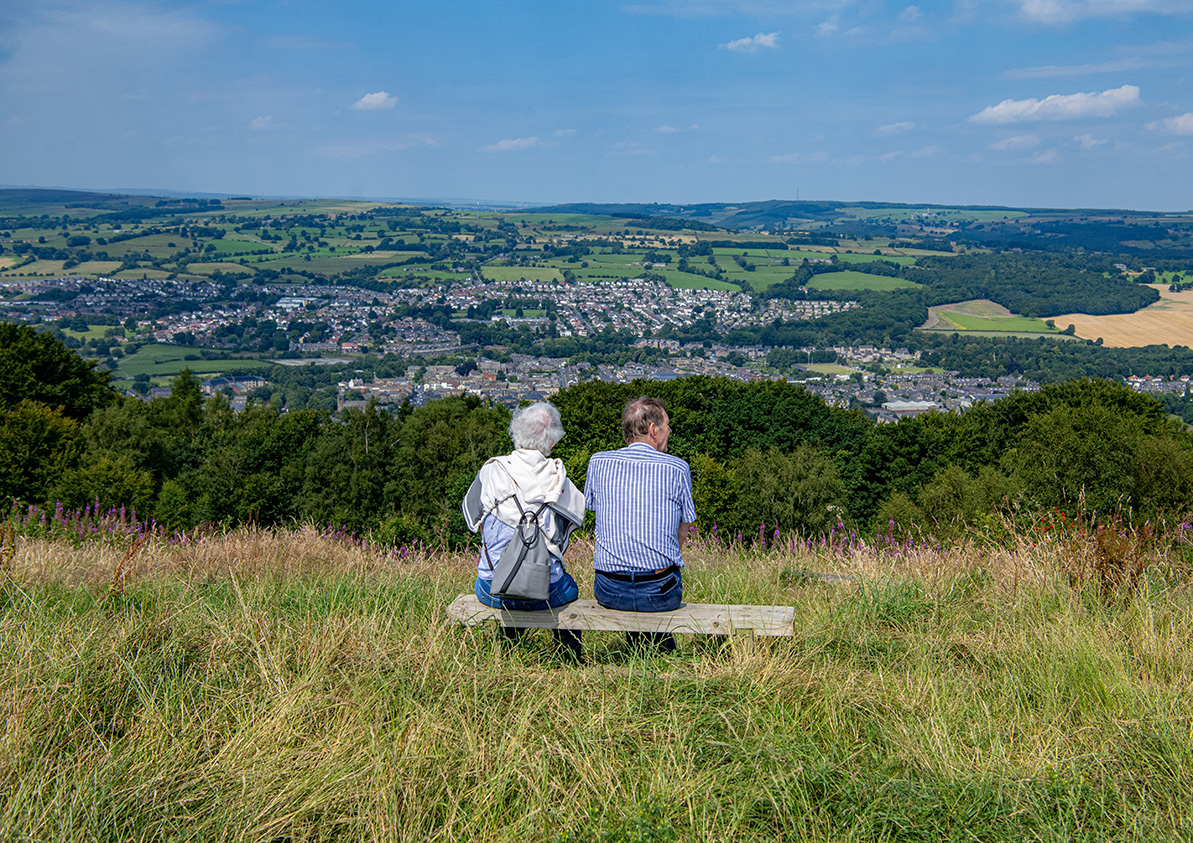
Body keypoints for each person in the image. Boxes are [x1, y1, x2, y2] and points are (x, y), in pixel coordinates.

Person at [462, 401, 586, 662]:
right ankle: (569, 660)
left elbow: (473, 523)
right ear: (552, 443)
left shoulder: (491, 470)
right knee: (569, 588)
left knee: (501, 579)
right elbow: (564, 537)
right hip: (546, 592)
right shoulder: (559, 479)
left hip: (492, 589)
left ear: (516, 433)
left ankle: (510, 651)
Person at [583, 396, 696, 653]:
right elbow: (683, 528)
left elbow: (595, 510)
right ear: (653, 430)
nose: (670, 431)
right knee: (658, 587)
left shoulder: (598, 462)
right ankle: (658, 653)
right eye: (667, 425)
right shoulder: (678, 468)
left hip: (609, 588)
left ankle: (645, 650)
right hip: (660, 590)